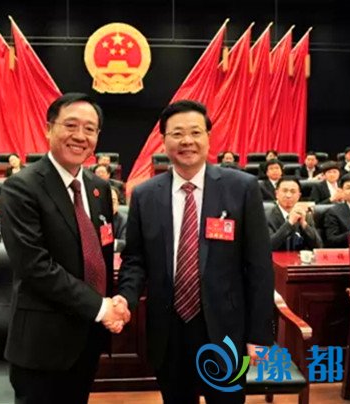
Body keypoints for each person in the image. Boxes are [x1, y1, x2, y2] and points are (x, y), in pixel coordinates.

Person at [115, 100, 273, 404]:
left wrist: (260, 335)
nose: (187, 141)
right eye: (177, 134)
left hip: (225, 330)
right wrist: (125, 298)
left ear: (208, 137)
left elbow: (259, 267)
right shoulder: (145, 195)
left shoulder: (242, 188)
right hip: (168, 330)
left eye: (195, 132)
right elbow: (135, 260)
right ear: (163, 141)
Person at [0, 93, 121, 404]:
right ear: (48, 128)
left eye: (90, 129)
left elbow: (102, 252)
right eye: (71, 125)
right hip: (42, 342)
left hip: (88, 336)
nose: (80, 136)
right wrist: (100, 306)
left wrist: (113, 302)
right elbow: (34, 266)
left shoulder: (99, 188)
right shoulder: (21, 187)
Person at [266, 177, 322, 251]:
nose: (288, 195)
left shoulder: (306, 215)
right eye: (285, 191)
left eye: (293, 192)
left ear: (299, 196)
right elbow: (268, 246)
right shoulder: (266, 216)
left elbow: (318, 246)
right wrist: (289, 223)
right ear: (276, 194)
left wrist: (304, 225)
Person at [111, 187, 127, 252]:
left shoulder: (125, 221)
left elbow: (126, 243)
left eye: (113, 201)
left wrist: (109, 244)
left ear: (117, 204)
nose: (109, 204)